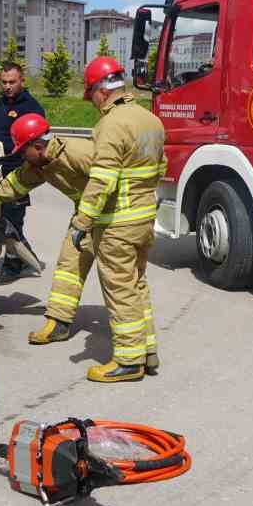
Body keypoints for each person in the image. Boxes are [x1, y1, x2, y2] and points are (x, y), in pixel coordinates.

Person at [0, 113, 120, 351]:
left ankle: (132, 341)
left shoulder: (78, 152)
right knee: (68, 267)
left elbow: (109, 179)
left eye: (23, 151)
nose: (21, 156)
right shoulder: (40, 164)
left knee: (118, 279)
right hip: (86, 217)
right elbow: (12, 186)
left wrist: (92, 217)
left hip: (115, 217)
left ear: (38, 146)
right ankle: (58, 323)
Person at [69, 56, 165, 383]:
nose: (93, 104)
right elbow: (161, 169)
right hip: (143, 219)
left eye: (91, 96)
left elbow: (101, 180)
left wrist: (82, 222)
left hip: (117, 224)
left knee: (120, 289)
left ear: (99, 90)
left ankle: (127, 360)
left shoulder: (111, 124)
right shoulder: (150, 119)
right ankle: (147, 352)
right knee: (137, 286)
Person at [0, 62, 44, 282]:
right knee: (4, 218)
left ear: (22, 81)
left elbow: (38, 145)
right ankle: (27, 257)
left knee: (13, 220)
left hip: (20, 172)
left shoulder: (32, 107)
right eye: (4, 82)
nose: (7, 86)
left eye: (12, 82)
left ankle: (13, 264)